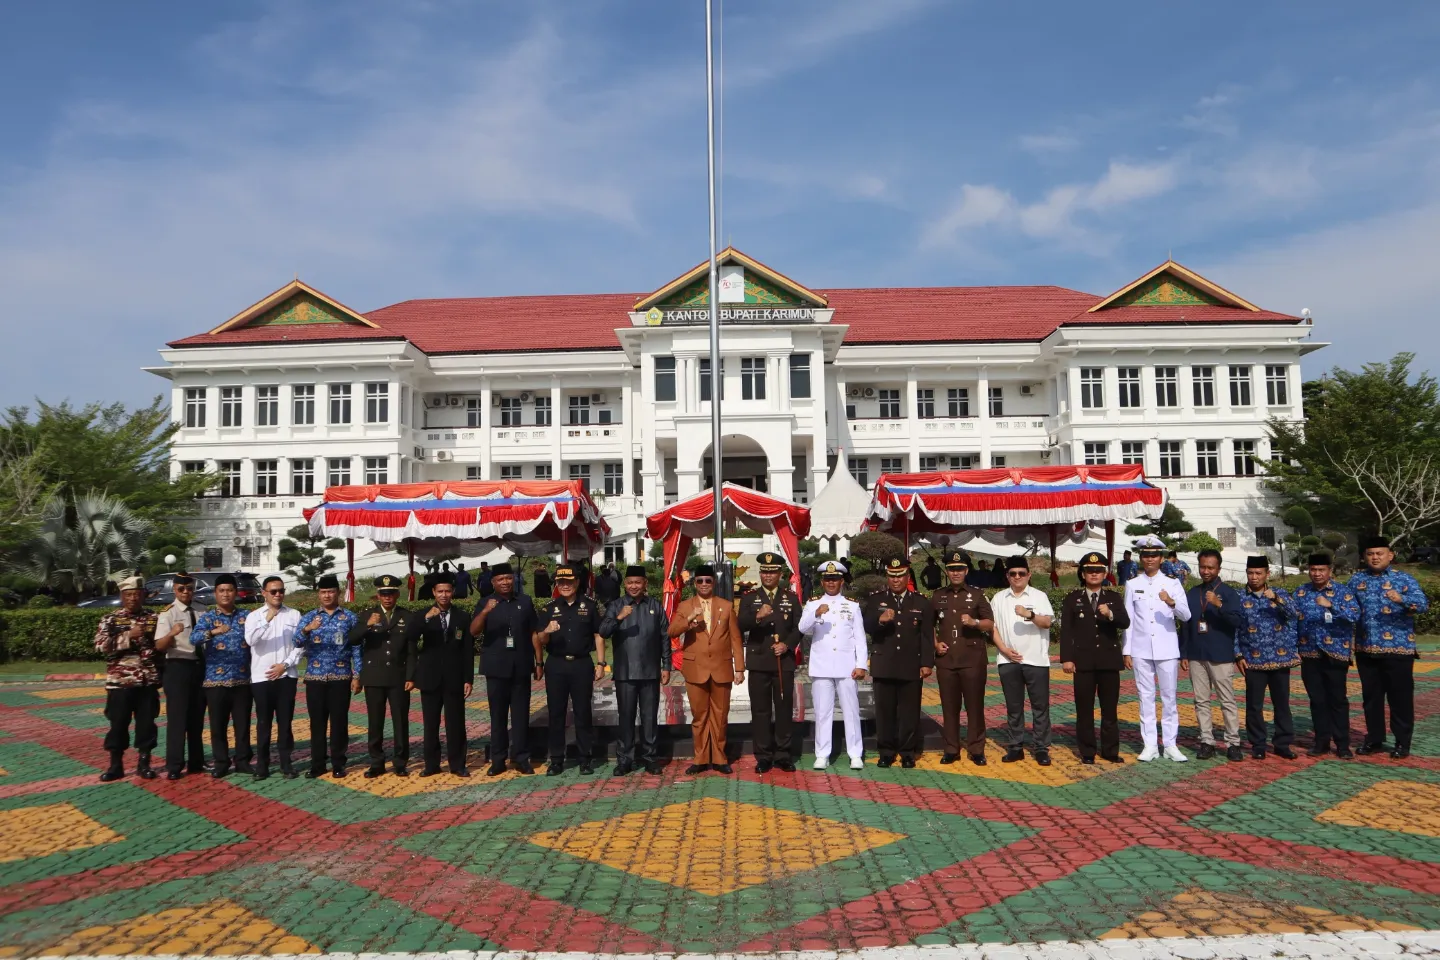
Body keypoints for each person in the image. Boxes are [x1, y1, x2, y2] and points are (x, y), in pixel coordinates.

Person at [1349, 535, 1429, 758]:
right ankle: (1374, 739)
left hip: (1398, 650)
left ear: (1390, 555)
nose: (1375, 557)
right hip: (1367, 649)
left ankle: (1402, 743)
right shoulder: (1356, 581)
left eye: (1379, 553)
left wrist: (1401, 599)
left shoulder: (1403, 580)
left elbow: (1423, 604)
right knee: (1371, 699)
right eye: (1370, 554)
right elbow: (1347, 607)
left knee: (1400, 699)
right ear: (1365, 557)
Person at [668, 564, 745, 774]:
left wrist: (739, 668)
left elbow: (736, 639)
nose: (704, 584)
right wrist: (690, 619)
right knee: (699, 715)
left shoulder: (726, 606)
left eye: (708, 581)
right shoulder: (685, 606)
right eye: (700, 581)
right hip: (695, 668)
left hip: (721, 667)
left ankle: (720, 758)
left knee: (720, 716)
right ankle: (700, 758)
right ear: (694, 583)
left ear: (714, 583)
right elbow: (672, 631)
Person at [1123, 534, 1192, 762]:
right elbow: (1129, 620)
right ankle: (1150, 744)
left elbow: (1186, 615)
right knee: (1145, 697)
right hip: (1141, 648)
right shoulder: (1133, 584)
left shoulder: (1172, 584)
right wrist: (1126, 650)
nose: (1149, 559)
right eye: (1145, 555)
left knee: (1169, 697)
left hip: (1167, 648)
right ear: (1141, 558)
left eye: (1154, 555)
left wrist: (1171, 601)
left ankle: (1171, 744)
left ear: (1161, 558)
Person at [863, 558, 935, 768]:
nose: (896, 580)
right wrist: (880, 621)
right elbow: (866, 625)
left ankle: (907, 752)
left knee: (909, 711)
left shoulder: (921, 602)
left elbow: (927, 636)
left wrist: (927, 663)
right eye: (892, 575)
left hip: (910, 664)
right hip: (884, 664)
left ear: (907, 576)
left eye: (900, 575)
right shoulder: (876, 600)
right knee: (884, 712)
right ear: (888, 577)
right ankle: (886, 751)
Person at [1060, 552, 1131, 764]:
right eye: (1090, 571)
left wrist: (1110, 614)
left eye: (1099, 570)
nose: (1094, 574)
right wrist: (1067, 658)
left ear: (1105, 573)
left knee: (1109, 710)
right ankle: (1088, 752)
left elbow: (1125, 622)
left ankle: (1110, 751)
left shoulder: (1114, 598)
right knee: (1084, 710)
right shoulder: (1073, 599)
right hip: (1083, 663)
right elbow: (1066, 631)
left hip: (1109, 662)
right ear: (1082, 574)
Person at [599, 565, 670, 775]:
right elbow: (603, 631)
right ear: (624, 584)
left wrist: (666, 665)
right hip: (625, 673)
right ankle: (625, 759)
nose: (633, 586)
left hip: (650, 672)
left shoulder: (655, 606)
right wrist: (619, 617)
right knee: (626, 716)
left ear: (645, 584)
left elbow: (665, 637)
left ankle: (650, 757)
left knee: (649, 717)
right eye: (630, 582)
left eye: (638, 582)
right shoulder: (616, 605)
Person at [470, 562, 540, 776]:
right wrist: (485, 611)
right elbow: (473, 631)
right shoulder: (485, 602)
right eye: (500, 579)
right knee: (497, 716)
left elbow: (534, 633)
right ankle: (498, 760)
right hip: (496, 668)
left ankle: (521, 758)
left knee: (521, 715)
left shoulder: (525, 602)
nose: (505, 582)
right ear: (493, 582)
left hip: (520, 666)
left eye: (508, 578)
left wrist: (539, 662)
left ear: (514, 579)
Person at [737, 552, 803, 773]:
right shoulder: (750, 597)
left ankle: (784, 754)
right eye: (764, 571)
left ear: (780, 573)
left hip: (782, 661)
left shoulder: (790, 598)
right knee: (761, 711)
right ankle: (763, 756)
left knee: (784, 709)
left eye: (772, 571)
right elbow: (740, 625)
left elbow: (798, 628)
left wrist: (787, 645)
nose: (768, 575)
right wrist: (758, 616)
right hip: (758, 662)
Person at [348, 574, 419, 777]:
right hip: (374, 676)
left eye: (391, 593)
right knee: (375, 721)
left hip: (398, 676)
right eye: (383, 594)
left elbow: (412, 650)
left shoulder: (407, 616)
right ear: (378, 595)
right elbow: (352, 640)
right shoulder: (366, 615)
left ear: (397, 594)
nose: (387, 597)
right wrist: (367, 625)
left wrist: (411, 676)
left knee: (400, 721)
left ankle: (400, 762)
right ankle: (376, 762)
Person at [93, 576, 163, 782]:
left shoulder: (154, 617)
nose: (133, 598)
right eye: (129, 595)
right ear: (122, 597)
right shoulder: (111, 619)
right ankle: (116, 765)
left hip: (147, 682)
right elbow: (99, 646)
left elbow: (163, 646)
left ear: (143, 596)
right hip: (120, 683)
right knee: (118, 724)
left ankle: (144, 763)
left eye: (137, 594)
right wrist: (128, 636)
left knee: (147, 724)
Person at [799, 561, 868, 770]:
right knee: (822, 712)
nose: (831, 583)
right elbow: (803, 628)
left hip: (847, 666)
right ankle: (822, 754)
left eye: (835, 579)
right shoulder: (812, 604)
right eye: (828, 579)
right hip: (822, 665)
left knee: (851, 711)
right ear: (822, 581)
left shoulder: (852, 605)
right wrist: (816, 613)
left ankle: (855, 753)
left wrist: (861, 664)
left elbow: (860, 637)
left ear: (841, 581)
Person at [1294, 553, 1362, 759]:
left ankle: (1342, 744)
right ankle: (1321, 741)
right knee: (1317, 700)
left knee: (1337, 700)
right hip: (1309, 653)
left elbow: (1355, 615)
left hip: (1335, 654)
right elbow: (1291, 620)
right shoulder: (1301, 592)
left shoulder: (1342, 592)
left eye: (1321, 570)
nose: (1317, 574)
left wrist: (1332, 605)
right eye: (1313, 570)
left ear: (1329, 571)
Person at [930, 550, 994, 765]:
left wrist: (974, 623)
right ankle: (951, 749)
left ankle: (976, 749)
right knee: (949, 707)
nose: (955, 572)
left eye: (959, 569)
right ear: (946, 571)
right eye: (951, 569)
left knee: (975, 706)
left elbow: (989, 623)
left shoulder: (977, 594)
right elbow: (929, 625)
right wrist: (935, 643)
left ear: (966, 570)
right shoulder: (938, 595)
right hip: (947, 660)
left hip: (972, 659)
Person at [1181, 549, 1246, 761]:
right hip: (1197, 654)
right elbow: (1185, 625)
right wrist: (1183, 653)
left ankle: (1233, 742)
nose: (1206, 571)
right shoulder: (1192, 593)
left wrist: (1219, 606)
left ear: (1219, 568)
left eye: (1210, 567)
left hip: (1220, 654)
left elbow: (1237, 621)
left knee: (1226, 700)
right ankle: (1206, 741)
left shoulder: (1228, 593)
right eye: (1202, 567)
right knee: (1201, 701)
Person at [539, 565, 605, 775]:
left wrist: (601, 664)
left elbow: (598, 635)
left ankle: (585, 758)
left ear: (577, 582)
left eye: (569, 582)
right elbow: (539, 638)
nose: (565, 586)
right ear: (556, 584)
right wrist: (547, 632)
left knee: (583, 712)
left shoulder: (590, 605)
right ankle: (557, 759)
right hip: (556, 664)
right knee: (556, 713)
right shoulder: (548, 608)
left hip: (581, 664)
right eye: (561, 582)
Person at [293, 574, 360, 778]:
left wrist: (357, 675)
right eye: (323, 592)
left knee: (339, 723)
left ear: (338, 593)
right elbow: (295, 642)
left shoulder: (349, 617)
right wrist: (307, 629)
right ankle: (318, 764)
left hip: (341, 678)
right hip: (315, 678)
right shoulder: (310, 617)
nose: (327, 595)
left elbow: (357, 648)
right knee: (317, 723)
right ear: (318, 594)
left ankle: (339, 763)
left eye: (331, 591)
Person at [991, 556, 1056, 765]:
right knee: (1014, 706)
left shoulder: (1039, 596)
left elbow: (1047, 622)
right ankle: (1015, 746)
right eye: (1012, 573)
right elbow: (992, 629)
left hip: (1036, 660)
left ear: (1029, 574)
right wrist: (1004, 651)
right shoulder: (999, 598)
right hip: (1008, 660)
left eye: (1021, 573)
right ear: (1007, 576)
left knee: (1040, 707)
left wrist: (1029, 614)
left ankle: (1041, 748)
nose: (1017, 577)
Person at [1237, 555, 1299, 760]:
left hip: (1280, 660)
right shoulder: (1239, 597)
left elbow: (1293, 614)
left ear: (1267, 574)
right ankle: (1258, 744)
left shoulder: (1280, 593)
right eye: (1250, 573)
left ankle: (1282, 743)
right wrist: (1237, 655)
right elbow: (1234, 629)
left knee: (1281, 703)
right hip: (1253, 660)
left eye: (1258, 573)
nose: (1254, 577)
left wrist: (1276, 600)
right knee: (1254, 705)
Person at [192, 575, 253, 778]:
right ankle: (221, 762)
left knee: (242, 724)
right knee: (218, 726)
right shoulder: (208, 618)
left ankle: (243, 761)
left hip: (242, 680)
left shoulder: (247, 616)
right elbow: (194, 638)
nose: (226, 594)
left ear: (235, 593)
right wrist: (213, 632)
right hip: (215, 681)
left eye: (229, 590)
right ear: (216, 593)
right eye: (221, 590)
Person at [416, 571, 474, 777]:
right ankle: (431, 764)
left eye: (447, 591)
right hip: (430, 678)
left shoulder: (462, 616)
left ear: (453, 592)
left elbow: (468, 650)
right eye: (440, 591)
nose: (444, 595)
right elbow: (411, 637)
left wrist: (468, 679)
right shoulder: (424, 614)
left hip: (454, 678)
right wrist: (425, 619)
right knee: (431, 724)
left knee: (456, 723)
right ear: (433, 592)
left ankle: (457, 764)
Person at [244, 576, 302, 779]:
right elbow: (250, 640)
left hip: (286, 675)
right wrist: (268, 619)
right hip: (261, 677)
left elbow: (300, 645)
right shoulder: (254, 616)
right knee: (263, 723)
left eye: (281, 591)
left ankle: (287, 764)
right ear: (264, 593)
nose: (278, 595)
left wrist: (284, 665)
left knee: (285, 723)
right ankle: (262, 765)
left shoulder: (294, 615)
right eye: (273, 591)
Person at [155, 573, 208, 780]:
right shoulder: (168, 614)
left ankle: (197, 761)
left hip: (199, 666)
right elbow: (159, 646)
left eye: (190, 588)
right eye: (181, 589)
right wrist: (171, 634)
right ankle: (175, 764)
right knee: (177, 718)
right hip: (178, 667)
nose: (186, 592)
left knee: (197, 717)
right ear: (175, 590)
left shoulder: (202, 609)